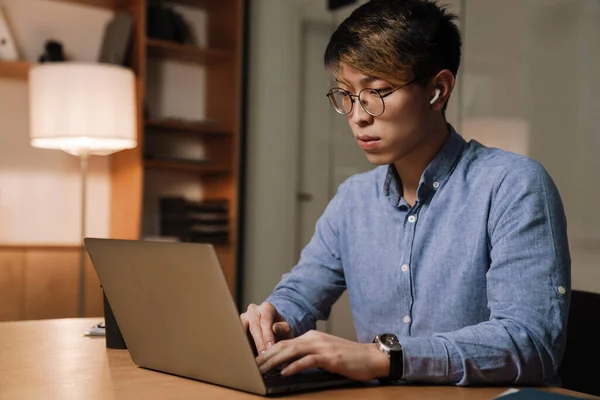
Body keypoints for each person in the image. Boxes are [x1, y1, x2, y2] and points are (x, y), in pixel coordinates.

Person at [240, 0, 570, 386]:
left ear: (438, 90)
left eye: (376, 91)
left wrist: (384, 356)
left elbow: (530, 343)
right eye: (347, 94)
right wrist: (272, 320)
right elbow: (300, 295)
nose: (358, 115)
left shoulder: (512, 185)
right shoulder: (353, 200)